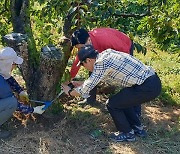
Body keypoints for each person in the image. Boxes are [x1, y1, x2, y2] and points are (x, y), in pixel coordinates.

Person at [62, 45, 162, 142]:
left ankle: (127, 133)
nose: (84, 67)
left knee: (112, 104)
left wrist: (69, 92)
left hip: (146, 87)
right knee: (123, 100)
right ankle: (137, 128)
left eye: (83, 64)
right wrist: (81, 83)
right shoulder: (106, 54)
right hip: (151, 82)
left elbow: (85, 90)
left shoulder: (101, 64)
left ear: (88, 60)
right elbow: (95, 81)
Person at [70, 27, 141, 117]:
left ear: (88, 40)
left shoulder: (104, 40)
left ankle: (135, 111)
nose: (80, 50)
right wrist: (71, 77)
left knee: (128, 81)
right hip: (106, 53)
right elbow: (78, 60)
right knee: (92, 71)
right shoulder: (86, 44)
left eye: (81, 47)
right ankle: (90, 99)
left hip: (124, 47)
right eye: (78, 48)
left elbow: (124, 53)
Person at [0, 47, 44, 139]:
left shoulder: (1, 70)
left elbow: (9, 79)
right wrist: (33, 110)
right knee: (11, 102)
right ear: (8, 64)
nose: (15, 67)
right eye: (14, 64)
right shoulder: (1, 83)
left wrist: (20, 91)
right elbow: (15, 104)